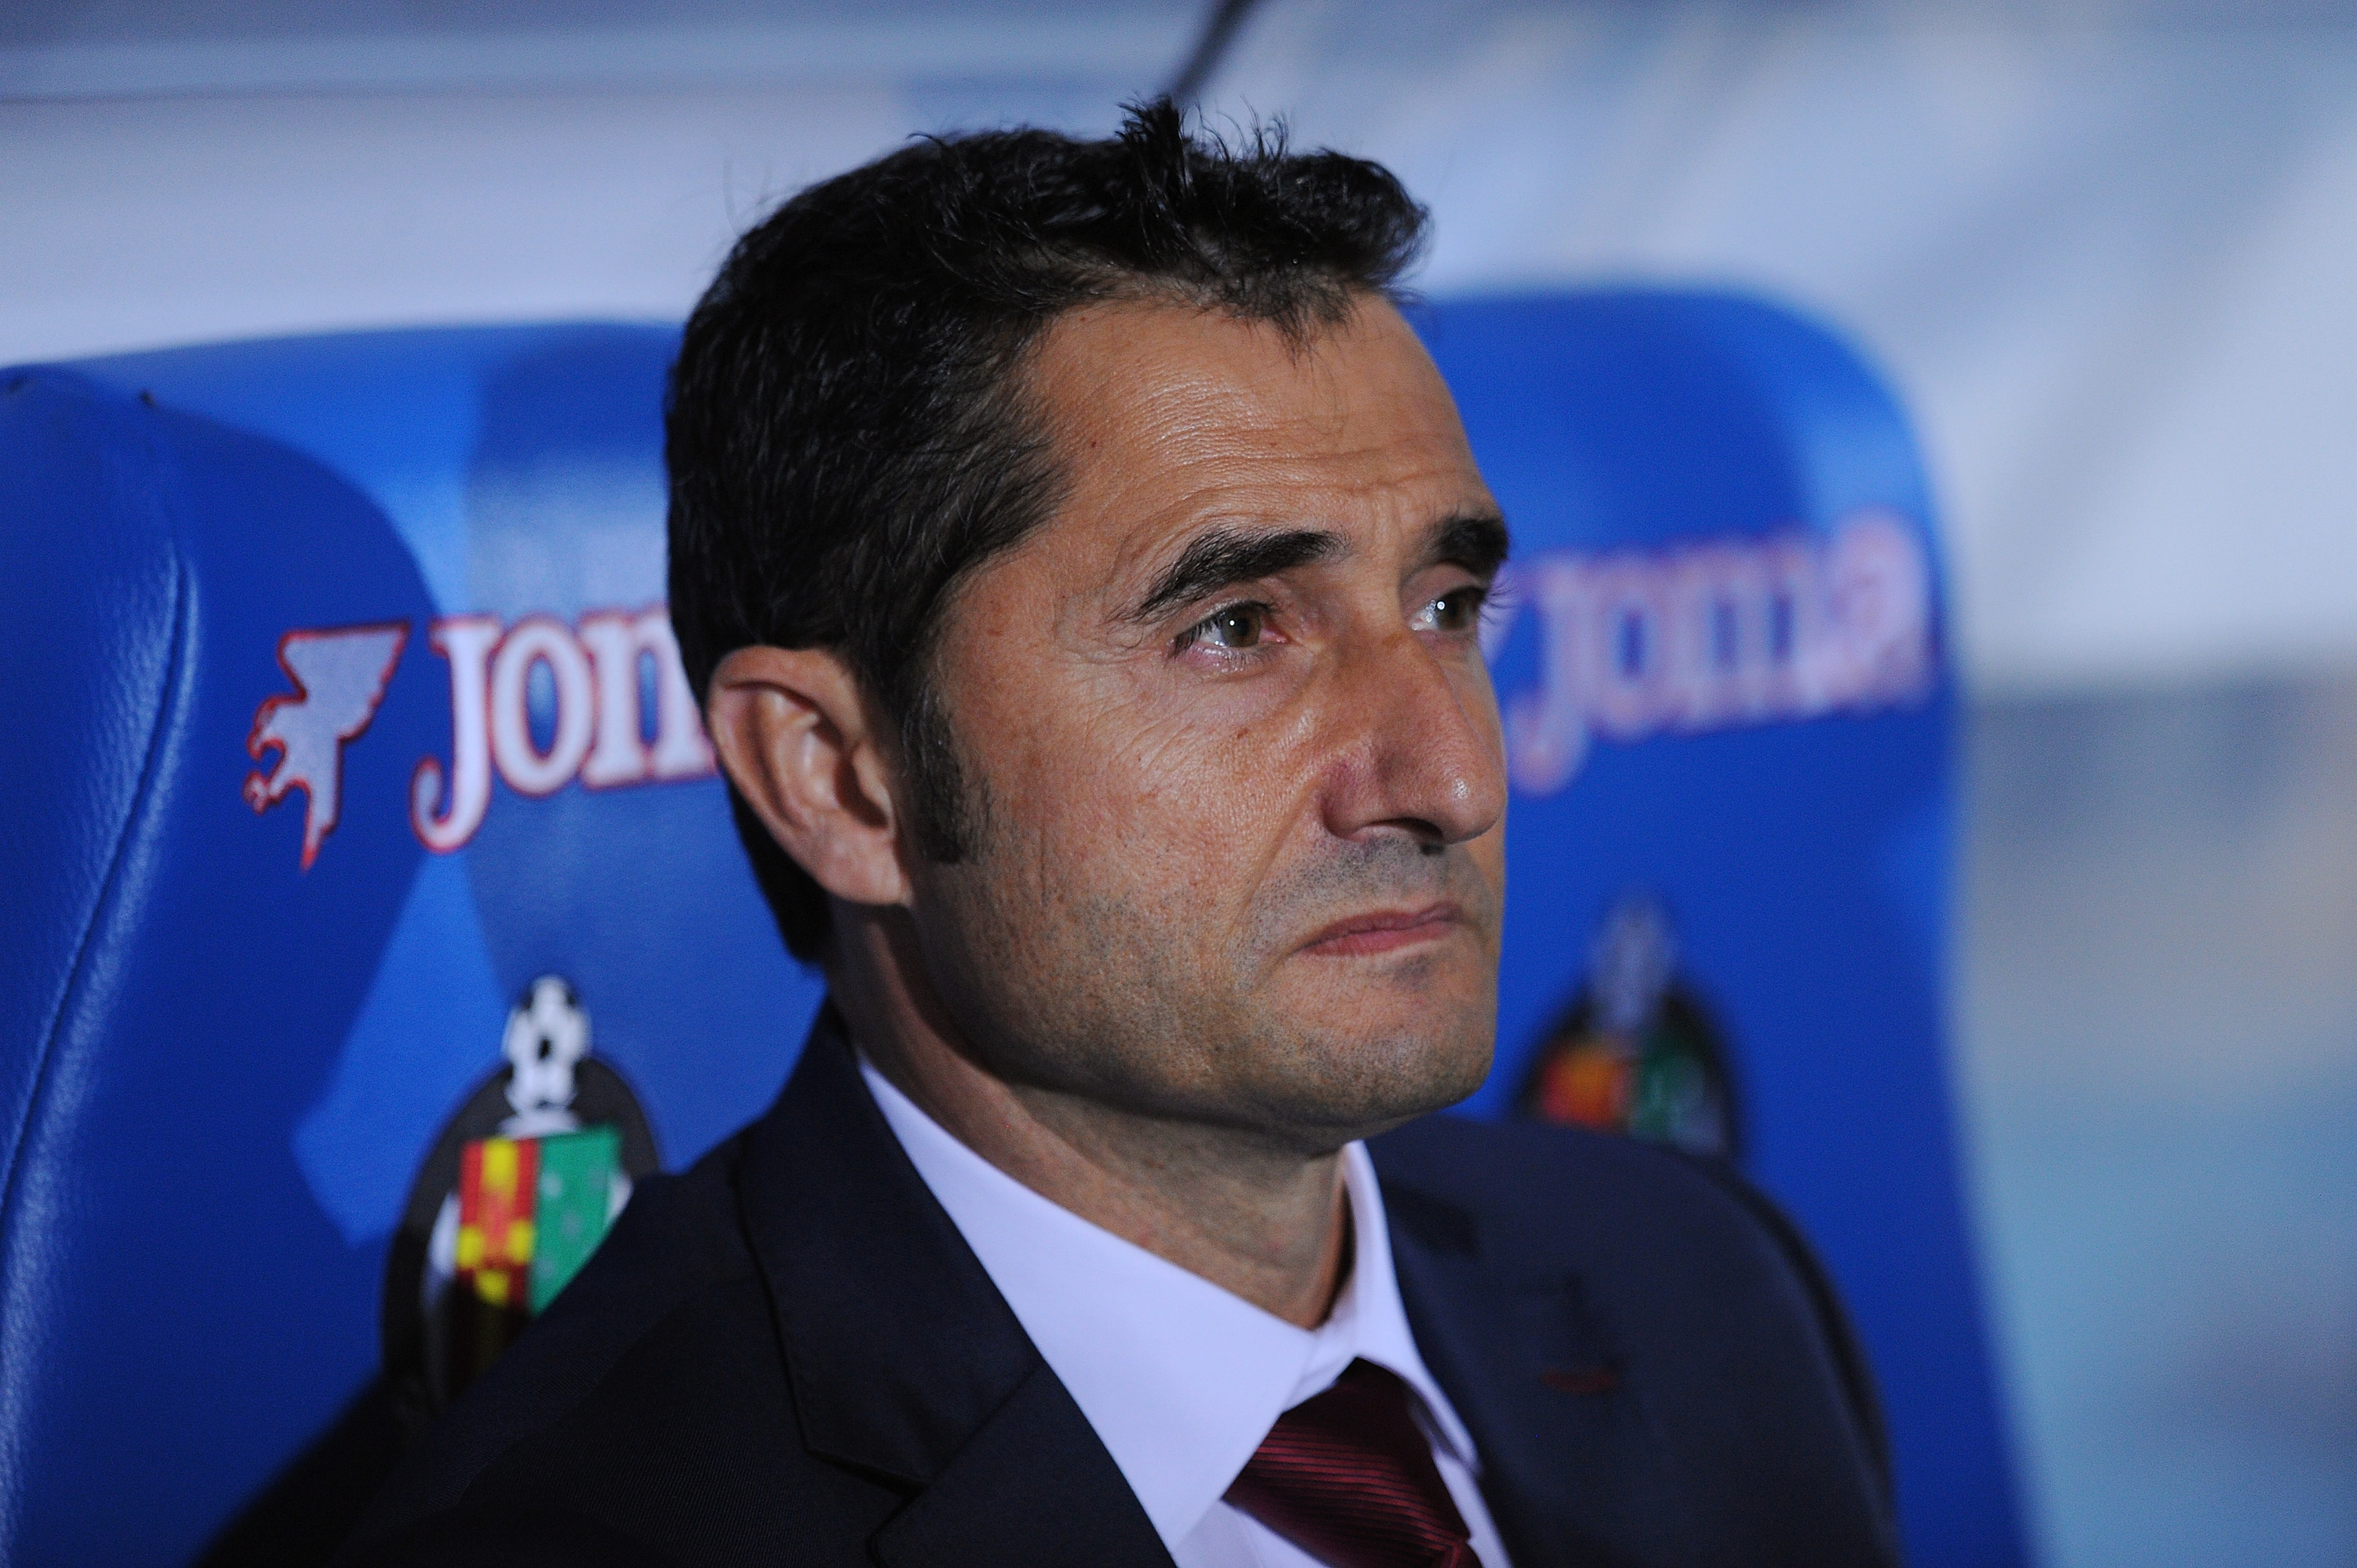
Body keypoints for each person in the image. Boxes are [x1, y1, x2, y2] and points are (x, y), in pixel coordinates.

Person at [339, 101, 1898, 1568]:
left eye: (1446, 606)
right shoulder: (590, 1528)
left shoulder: (1704, 1290)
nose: (1449, 779)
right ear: (837, 776)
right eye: (1236, 628)